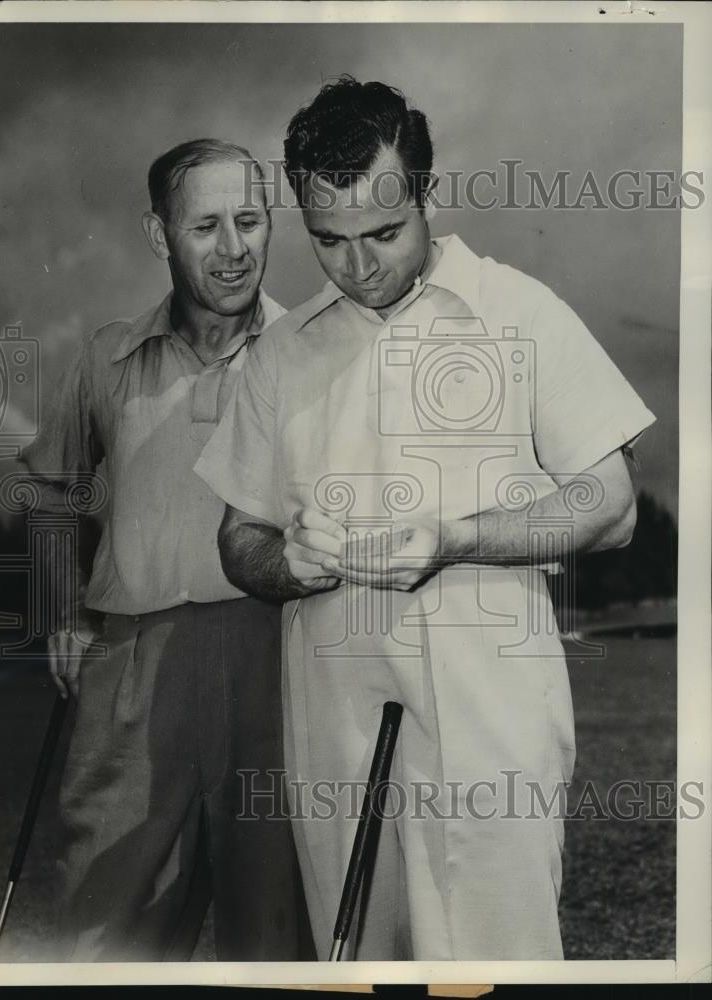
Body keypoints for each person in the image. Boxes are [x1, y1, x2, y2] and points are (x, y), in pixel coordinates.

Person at [195, 80, 657, 961]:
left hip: (491, 713)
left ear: (427, 197)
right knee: (357, 962)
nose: (357, 266)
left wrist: (455, 538)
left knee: (493, 962)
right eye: (328, 241)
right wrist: (285, 562)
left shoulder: (518, 309)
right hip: (332, 721)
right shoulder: (281, 356)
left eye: (382, 234)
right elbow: (237, 538)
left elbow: (611, 503)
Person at [21, 139, 311, 962]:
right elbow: (48, 490)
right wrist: (61, 615)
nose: (234, 249)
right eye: (206, 226)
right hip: (134, 672)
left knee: (277, 938)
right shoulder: (106, 357)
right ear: (160, 236)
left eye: (251, 221)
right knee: (106, 936)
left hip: (278, 668)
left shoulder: (312, 353)